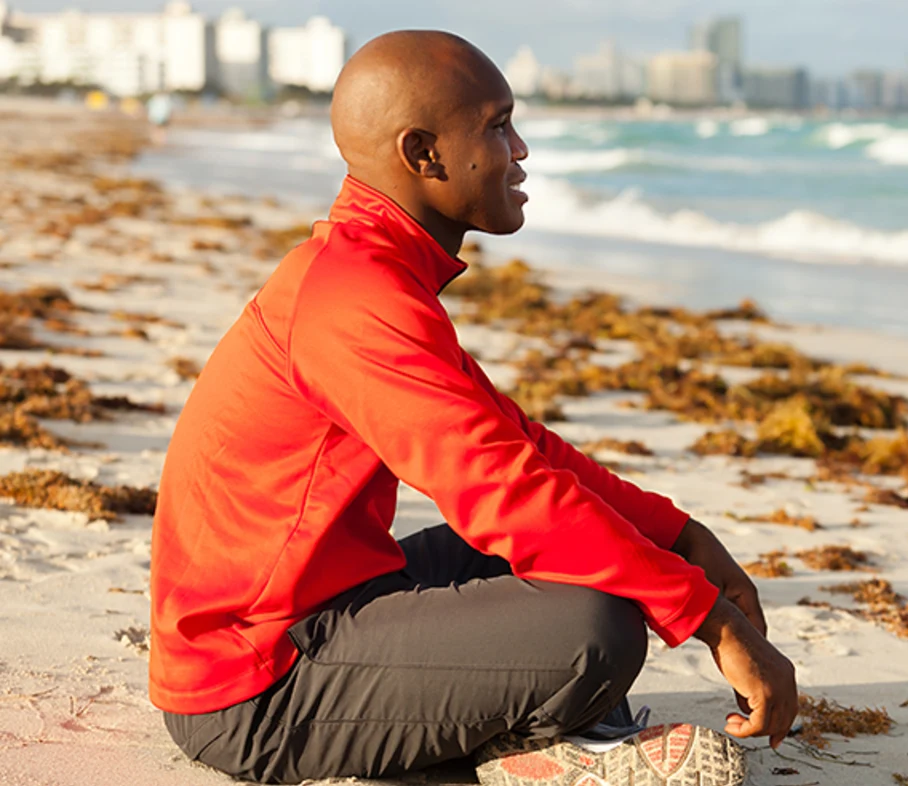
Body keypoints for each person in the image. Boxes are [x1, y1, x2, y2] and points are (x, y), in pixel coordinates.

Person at [148, 30, 798, 786]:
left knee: (591, 555)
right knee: (598, 628)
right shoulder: (353, 298)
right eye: (497, 126)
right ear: (423, 153)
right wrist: (711, 621)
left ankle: (534, 736)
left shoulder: (373, 271)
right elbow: (503, 493)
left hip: (328, 600)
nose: (519, 150)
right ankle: (551, 750)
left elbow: (523, 451)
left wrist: (683, 538)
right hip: (254, 687)